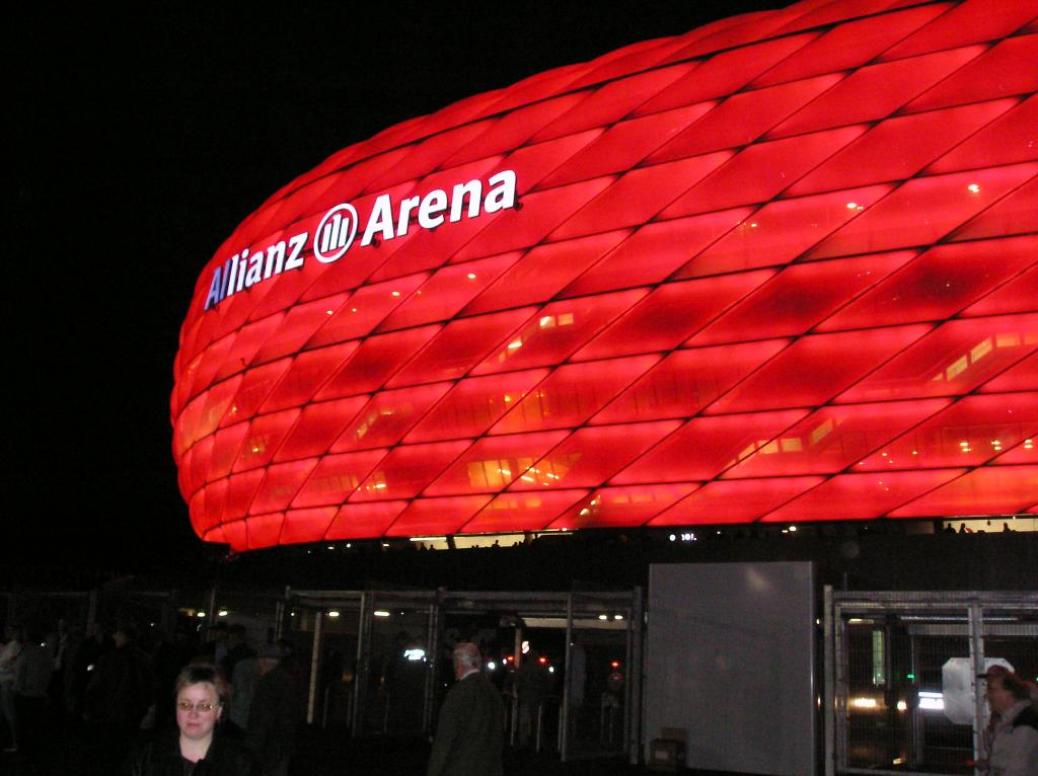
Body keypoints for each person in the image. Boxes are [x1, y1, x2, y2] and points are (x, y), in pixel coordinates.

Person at [123, 663, 258, 776]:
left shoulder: (240, 764)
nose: (193, 714)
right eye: (185, 705)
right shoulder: (148, 756)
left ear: (219, 711)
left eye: (204, 706)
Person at [427, 642, 504, 776]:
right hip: (490, 767)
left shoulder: (459, 693)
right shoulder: (493, 691)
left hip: (461, 768)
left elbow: (445, 740)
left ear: (458, 663)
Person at [245, 644, 300, 776]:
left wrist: (253, 745)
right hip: (283, 740)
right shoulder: (287, 680)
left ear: (263, 661)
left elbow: (262, 717)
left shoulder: (267, 683)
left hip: (269, 743)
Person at [981, 668, 1038, 776]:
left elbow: (1018, 768)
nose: (988, 696)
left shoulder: (1024, 724)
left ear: (1009, 693)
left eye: (993, 690)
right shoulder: (1008, 721)